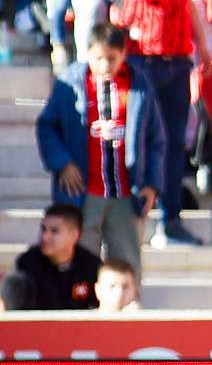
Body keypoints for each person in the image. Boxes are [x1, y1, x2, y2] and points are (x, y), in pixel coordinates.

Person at [114, 0, 209, 248]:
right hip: (143, 58)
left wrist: (203, 45)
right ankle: (128, 217)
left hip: (176, 55)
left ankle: (170, 222)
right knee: (139, 140)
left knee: (172, 143)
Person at [35, 22, 165, 276]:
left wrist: (151, 183)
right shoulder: (70, 84)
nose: (105, 66)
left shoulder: (139, 86)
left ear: (124, 54)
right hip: (82, 192)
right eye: (98, 59)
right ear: (88, 54)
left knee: (126, 263)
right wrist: (63, 163)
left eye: (112, 58)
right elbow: (47, 127)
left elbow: (155, 139)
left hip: (125, 193)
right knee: (82, 263)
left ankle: (126, 299)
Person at [14, 203, 101, 310]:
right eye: (43, 229)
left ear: (74, 235)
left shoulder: (92, 266)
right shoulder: (28, 263)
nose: (45, 236)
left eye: (54, 231)